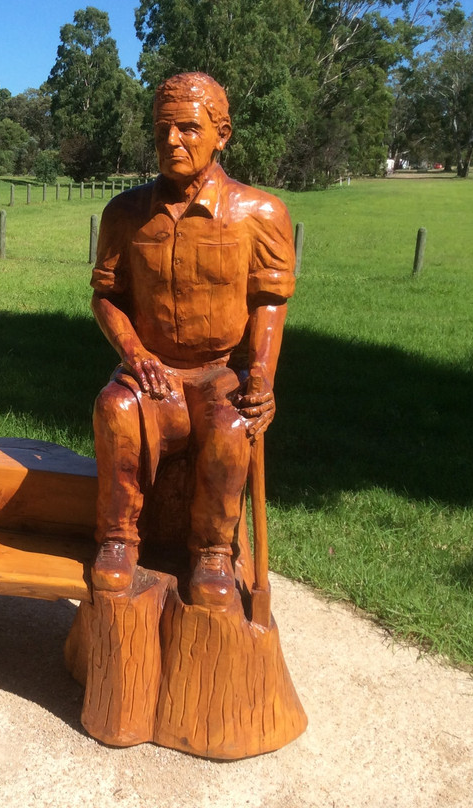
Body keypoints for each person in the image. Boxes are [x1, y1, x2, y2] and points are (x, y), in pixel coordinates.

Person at [90, 72, 296, 606]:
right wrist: (133, 354)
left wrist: (263, 375)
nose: (173, 142)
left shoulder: (260, 213)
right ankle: (118, 538)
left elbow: (269, 301)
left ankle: (213, 550)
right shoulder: (126, 213)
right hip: (153, 370)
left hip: (218, 371)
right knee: (114, 409)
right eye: (162, 130)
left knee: (230, 427)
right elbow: (106, 296)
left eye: (188, 128)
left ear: (221, 133)